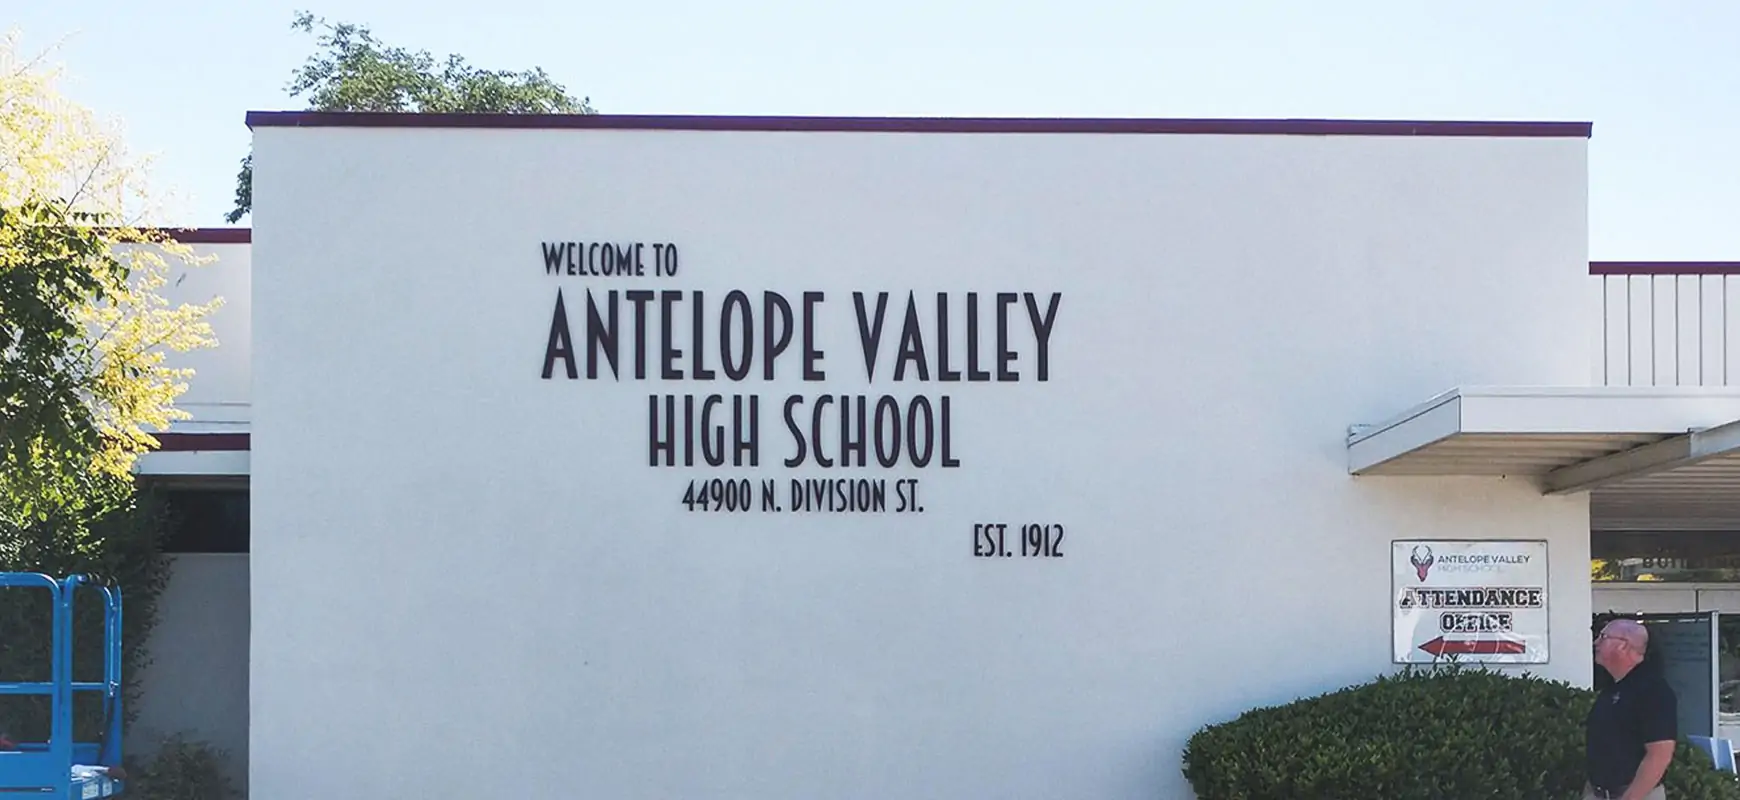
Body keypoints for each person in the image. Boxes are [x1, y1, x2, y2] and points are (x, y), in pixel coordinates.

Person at [1585, 619, 1677, 799]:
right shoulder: (1613, 689)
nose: (1595, 642)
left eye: (1603, 637)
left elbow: (1659, 754)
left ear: (1623, 645)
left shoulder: (1652, 690)